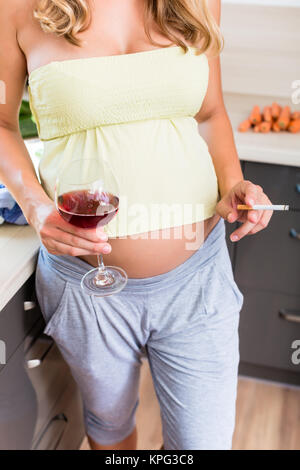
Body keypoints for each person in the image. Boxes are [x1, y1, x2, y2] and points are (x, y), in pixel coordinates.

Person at [0, 0, 272, 450]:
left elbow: (210, 114)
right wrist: (34, 206)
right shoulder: (18, 7)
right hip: (86, 286)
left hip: (198, 280)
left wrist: (233, 183)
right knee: (110, 430)